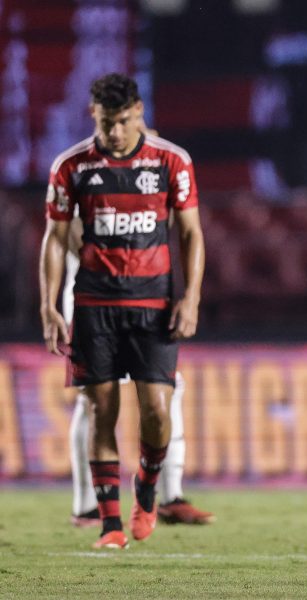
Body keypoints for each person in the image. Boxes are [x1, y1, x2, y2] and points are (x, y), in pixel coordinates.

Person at [40, 73, 205, 549]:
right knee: (99, 411)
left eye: (123, 121)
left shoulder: (171, 161)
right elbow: (55, 239)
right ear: (94, 115)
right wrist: (50, 306)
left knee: (157, 409)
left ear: (140, 112)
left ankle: (148, 489)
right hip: (94, 304)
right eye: (106, 122)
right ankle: (110, 526)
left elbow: (192, 232)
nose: (114, 132)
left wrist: (190, 296)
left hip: (152, 305)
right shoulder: (72, 166)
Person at [63, 212, 213, 528]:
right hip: (92, 293)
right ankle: (87, 505)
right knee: (93, 399)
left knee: (170, 387)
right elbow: (67, 229)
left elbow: (169, 223)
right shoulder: (85, 166)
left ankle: (171, 496)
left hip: (140, 293)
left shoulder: (154, 166)